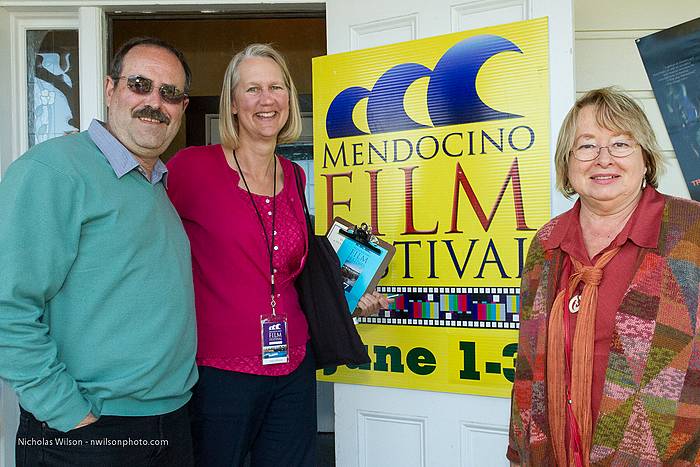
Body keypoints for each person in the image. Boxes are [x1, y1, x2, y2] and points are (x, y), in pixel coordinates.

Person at [166, 43, 388, 467]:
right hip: (218, 371)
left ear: (289, 98)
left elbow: (287, 267)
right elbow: (147, 247)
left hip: (293, 365)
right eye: (252, 89)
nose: (266, 99)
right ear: (233, 103)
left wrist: (348, 290)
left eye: (276, 87)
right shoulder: (191, 168)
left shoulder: (293, 174)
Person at [0, 37, 197, 466]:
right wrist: (67, 412)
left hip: (168, 418)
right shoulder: (52, 171)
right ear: (111, 89)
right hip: (89, 431)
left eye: (170, 93)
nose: (154, 102)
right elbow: (7, 308)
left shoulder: (156, 183)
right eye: (140, 84)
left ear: (182, 108)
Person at [508, 88, 700, 465]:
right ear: (568, 164)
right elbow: (528, 360)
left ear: (645, 158)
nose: (603, 158)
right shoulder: (547, 242)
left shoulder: (690, 230)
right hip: (555, 451)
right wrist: (520, 450)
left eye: (620, 144)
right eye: (586, 146)